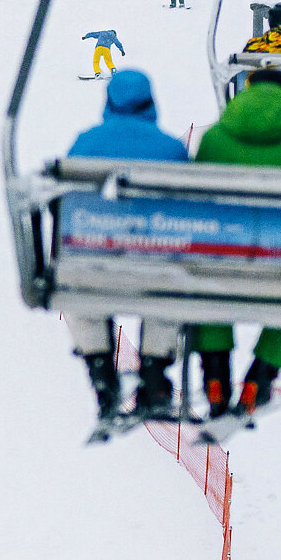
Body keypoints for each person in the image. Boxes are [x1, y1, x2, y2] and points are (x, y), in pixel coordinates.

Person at [190, 70, 281, 415]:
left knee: (206, 274)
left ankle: (214, 375)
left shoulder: (215, 138)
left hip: (225, 253)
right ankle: (261, 376)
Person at [66, 70, 190, 418]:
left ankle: (101, 375)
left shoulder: (85, 144)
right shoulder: (171, 148)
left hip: (95, 262)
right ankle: (154, 373)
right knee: (167, 289)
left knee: (83, 292)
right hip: (155, 265)